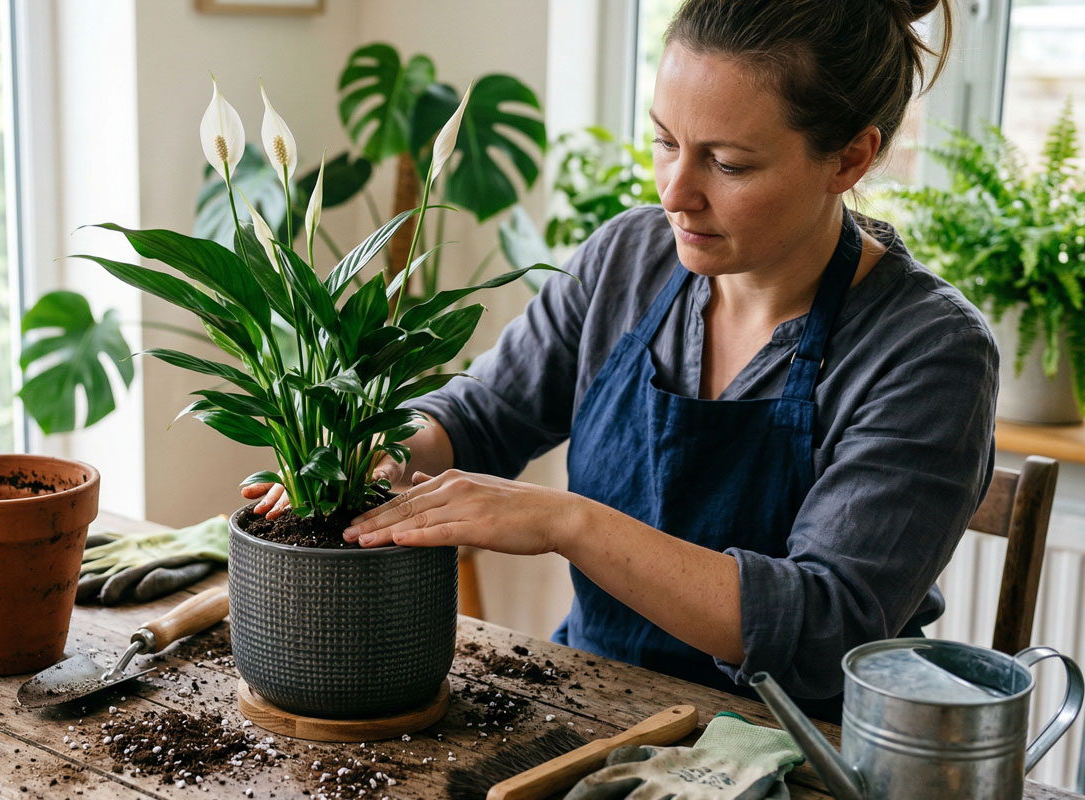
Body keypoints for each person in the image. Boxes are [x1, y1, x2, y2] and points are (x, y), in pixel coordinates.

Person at [245, 0, 997, 720]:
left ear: (850, 158)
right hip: (592, 704)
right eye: (666, 141)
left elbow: (822, 626)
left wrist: (568, 522)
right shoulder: (628, 259)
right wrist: (373, 453)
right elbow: (480, 415)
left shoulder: (928, 351)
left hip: (799, 748)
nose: (675, 193)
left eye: (728, 164)